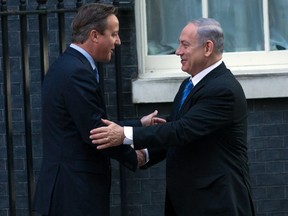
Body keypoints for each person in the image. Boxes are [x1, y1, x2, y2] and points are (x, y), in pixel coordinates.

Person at [90, 18, 256, 216]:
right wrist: (147, 154)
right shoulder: (189, 85)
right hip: (189, 201)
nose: (177, 51)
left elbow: (181, 131)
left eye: (185, 45)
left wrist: (124, 134)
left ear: (208, 48)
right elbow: (180, 130)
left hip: (216, 203)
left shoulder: (223, 90)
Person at [33, 3, 161, 216]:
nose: (118, 42)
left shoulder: (68, 65)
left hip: (70, 191)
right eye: (114, 34)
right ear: (94, 35)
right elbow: (96, 133)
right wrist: (135, 157)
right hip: (74, 194)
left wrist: (140, 124)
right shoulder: (77, 73)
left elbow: (92, 123)